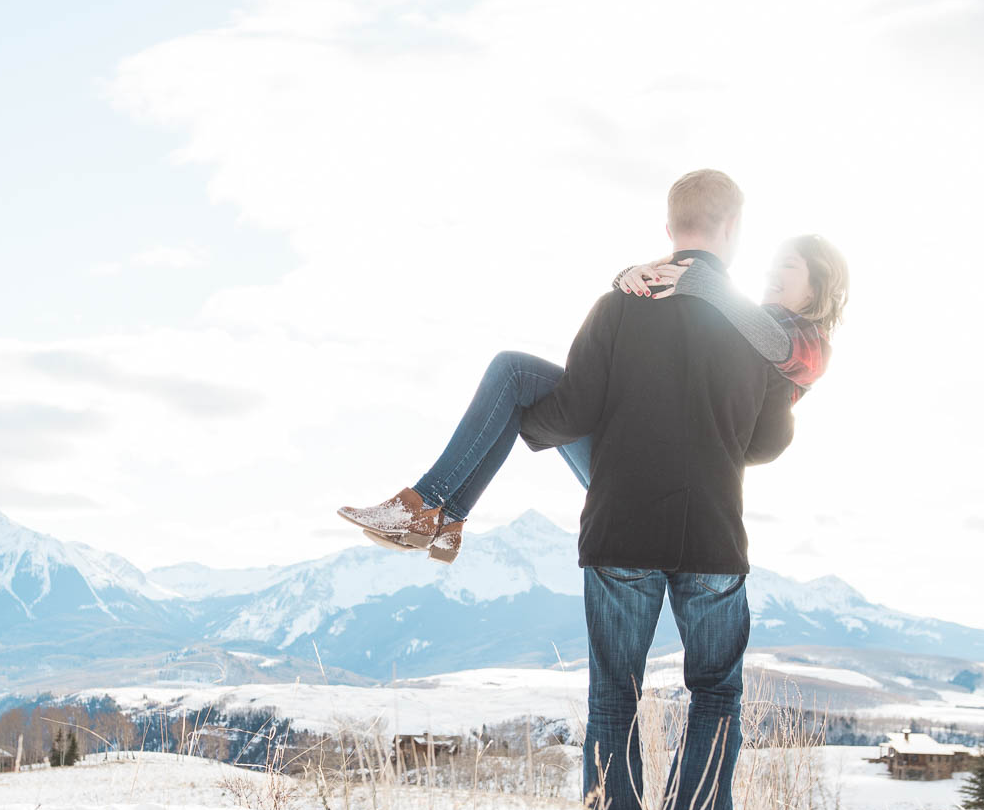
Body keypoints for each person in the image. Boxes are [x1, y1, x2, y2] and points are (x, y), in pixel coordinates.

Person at [518, 168, 806, 810]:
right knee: (714, 694)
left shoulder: (619, 304)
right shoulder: (756, 330)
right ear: (733, 228)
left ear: (669, 224)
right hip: (712, 536)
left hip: (622, 530)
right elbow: (767, 443)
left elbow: (574, 412)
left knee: (615, 695)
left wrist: (522, 414)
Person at [335, 228, 848, 564]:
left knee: (511, 375)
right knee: (512, 388)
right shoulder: (746, 323)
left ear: (818, 285)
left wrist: (700, 284)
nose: (770, 275)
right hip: (646, 454)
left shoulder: (806, 343)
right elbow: (686, 317)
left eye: (787, 268)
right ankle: (444, 521)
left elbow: (771, 340)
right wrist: (633, 278)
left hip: (647, 473)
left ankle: (428, 507)